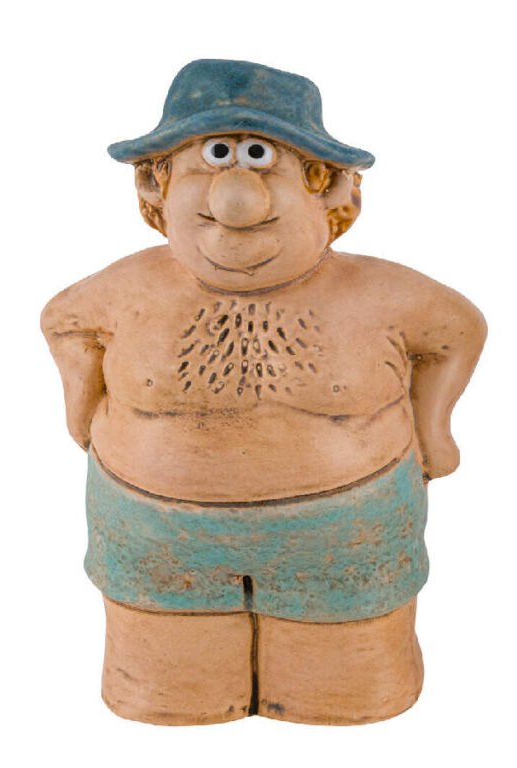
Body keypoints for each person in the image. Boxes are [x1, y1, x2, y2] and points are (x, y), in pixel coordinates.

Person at [41, 59, 486, 725]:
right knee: (170, 692)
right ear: (157, 184)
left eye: (261, 158)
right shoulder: (127, 289)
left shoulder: (383, 295)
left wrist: (434, 432)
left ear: (328, 187)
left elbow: (457, 331)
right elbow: (63, 322)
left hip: (345, 535)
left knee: (345, 691)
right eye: (212, 158)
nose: (236, 197)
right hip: (158, 536)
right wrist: (80, 406)